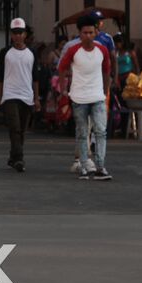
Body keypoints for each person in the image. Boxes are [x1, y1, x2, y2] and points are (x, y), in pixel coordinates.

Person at [59, 16, 114, 180]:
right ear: (80, 34)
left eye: (91, 32)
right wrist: (63, 91)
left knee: (100, 132)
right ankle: (83, 165)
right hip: (79, 98)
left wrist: (105, 92)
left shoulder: (102, 50)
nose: (88, 36)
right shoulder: (73, 50)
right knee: (82, 133)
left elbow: (106, 71)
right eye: (85, 33)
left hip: (97, 97)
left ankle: (100, 167)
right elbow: (62, 69)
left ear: (96, 32)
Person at [0, 18, 41, 172]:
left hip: (26, 95)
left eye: (20, 33)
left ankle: (13, 156)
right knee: (14, 127)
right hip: (10, 95)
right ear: (11, 35)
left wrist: (36, 98)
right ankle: (19, 158)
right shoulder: (5, 53)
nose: (17, 36)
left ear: (25, 34)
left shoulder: (32, 53)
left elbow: (35, 78)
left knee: (21, 129)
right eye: (14, 33)